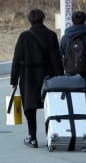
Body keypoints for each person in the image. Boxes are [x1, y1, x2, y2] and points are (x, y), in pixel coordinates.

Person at [10, 9, 64, 148]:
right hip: (47, 75)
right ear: (43, 19)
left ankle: (32, 137)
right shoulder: (51, 35)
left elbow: (16, 59)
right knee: (50, 106)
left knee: (29, 106)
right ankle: (50, 135)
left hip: (28, 76)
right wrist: (60, 77)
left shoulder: (24, 36)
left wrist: (13, 80)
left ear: (30, 20)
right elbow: (56, 59)